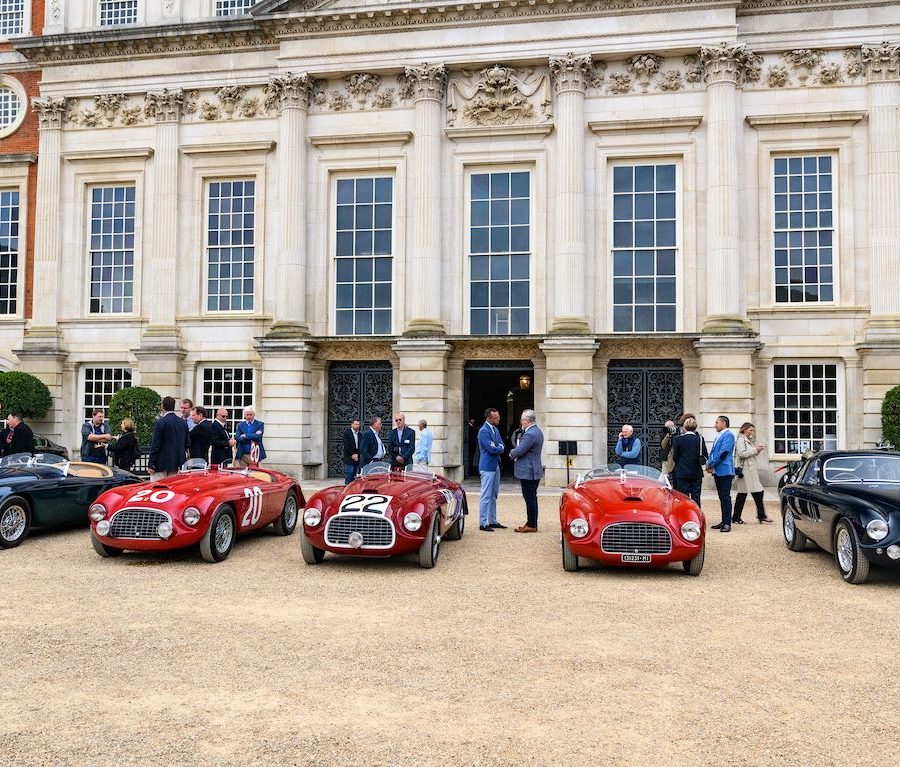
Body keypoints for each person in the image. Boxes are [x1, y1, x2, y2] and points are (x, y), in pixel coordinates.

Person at [509, 409, 544, 533]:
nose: (521, 422)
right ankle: (531, 523)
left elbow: (520, 450)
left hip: (529, 471)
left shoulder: (530, 434)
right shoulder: (537, 431)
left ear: (527, 421)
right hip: (533, 470)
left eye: (522, 420)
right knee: (531, 498)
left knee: (530, 498)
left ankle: (531, 524)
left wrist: (511, 453)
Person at [733, 422, 772, 524]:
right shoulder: (741, 440)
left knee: (756, 492)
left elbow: (750, 454)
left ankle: (760, 515)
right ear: (744, 429)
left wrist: (757, 450)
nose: (752, 432)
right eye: (751, 430)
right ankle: (737, 517)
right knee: (744, 494)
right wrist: (755, 449)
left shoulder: (748, 440)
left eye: (753, 430)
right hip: (746, 471)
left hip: (750, 470)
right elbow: (741, 454)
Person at [478, 408, 506, 532]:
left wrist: (498, 446)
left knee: (494, 495)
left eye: (498, 417)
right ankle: (483, 523)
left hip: (496, 465)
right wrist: (498, 447)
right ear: (489, 418)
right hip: (487, 466)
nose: (498, 419)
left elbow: (502, 445)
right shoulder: (483, 431)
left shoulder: (495, 429)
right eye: (496, 418)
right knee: (486, 495)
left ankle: (493, 520)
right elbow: (491, 449)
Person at [148, 396, 189, 480]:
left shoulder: (161, 422)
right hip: (177, 462)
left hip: (161, 463)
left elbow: (156, 444)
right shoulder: (183, 422)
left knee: (157, 489)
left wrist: (151, 463)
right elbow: (187, 443)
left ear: (162, 407)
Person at [707, 415, 736, 532]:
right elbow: (714, 451)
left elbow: (723, 453)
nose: (715, 424)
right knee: (722, 497)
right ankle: (724, 521)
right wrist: (710, 462)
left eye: (717, 422)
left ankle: (727, 523)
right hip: (718, 470)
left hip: (725, 470)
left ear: (724, 423)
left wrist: (711, 463)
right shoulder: (720, 435)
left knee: (725, 497)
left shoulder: (728, 435)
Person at [671, 416, 707, 507]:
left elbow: (675, 457)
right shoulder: (700, 439)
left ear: (684, 427)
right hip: (696, 471)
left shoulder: (678, 439)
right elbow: (705, 454)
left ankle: (684, 517)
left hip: (682, 471)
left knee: (683, 497)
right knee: (696, 497)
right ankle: (696, 517)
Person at [342, 418, 361, 484]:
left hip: (357, 457)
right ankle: (347, 487)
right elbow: (346, 445)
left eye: (358, 424)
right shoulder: (347, 433)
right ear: (352, 425)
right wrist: (352, 454)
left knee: (354, 474)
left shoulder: (360, 434)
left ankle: (352, 489)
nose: (357, 426)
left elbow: (360, 446)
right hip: (349, 457)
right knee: (349, 473)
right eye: (356, 424)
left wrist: (357, 455)